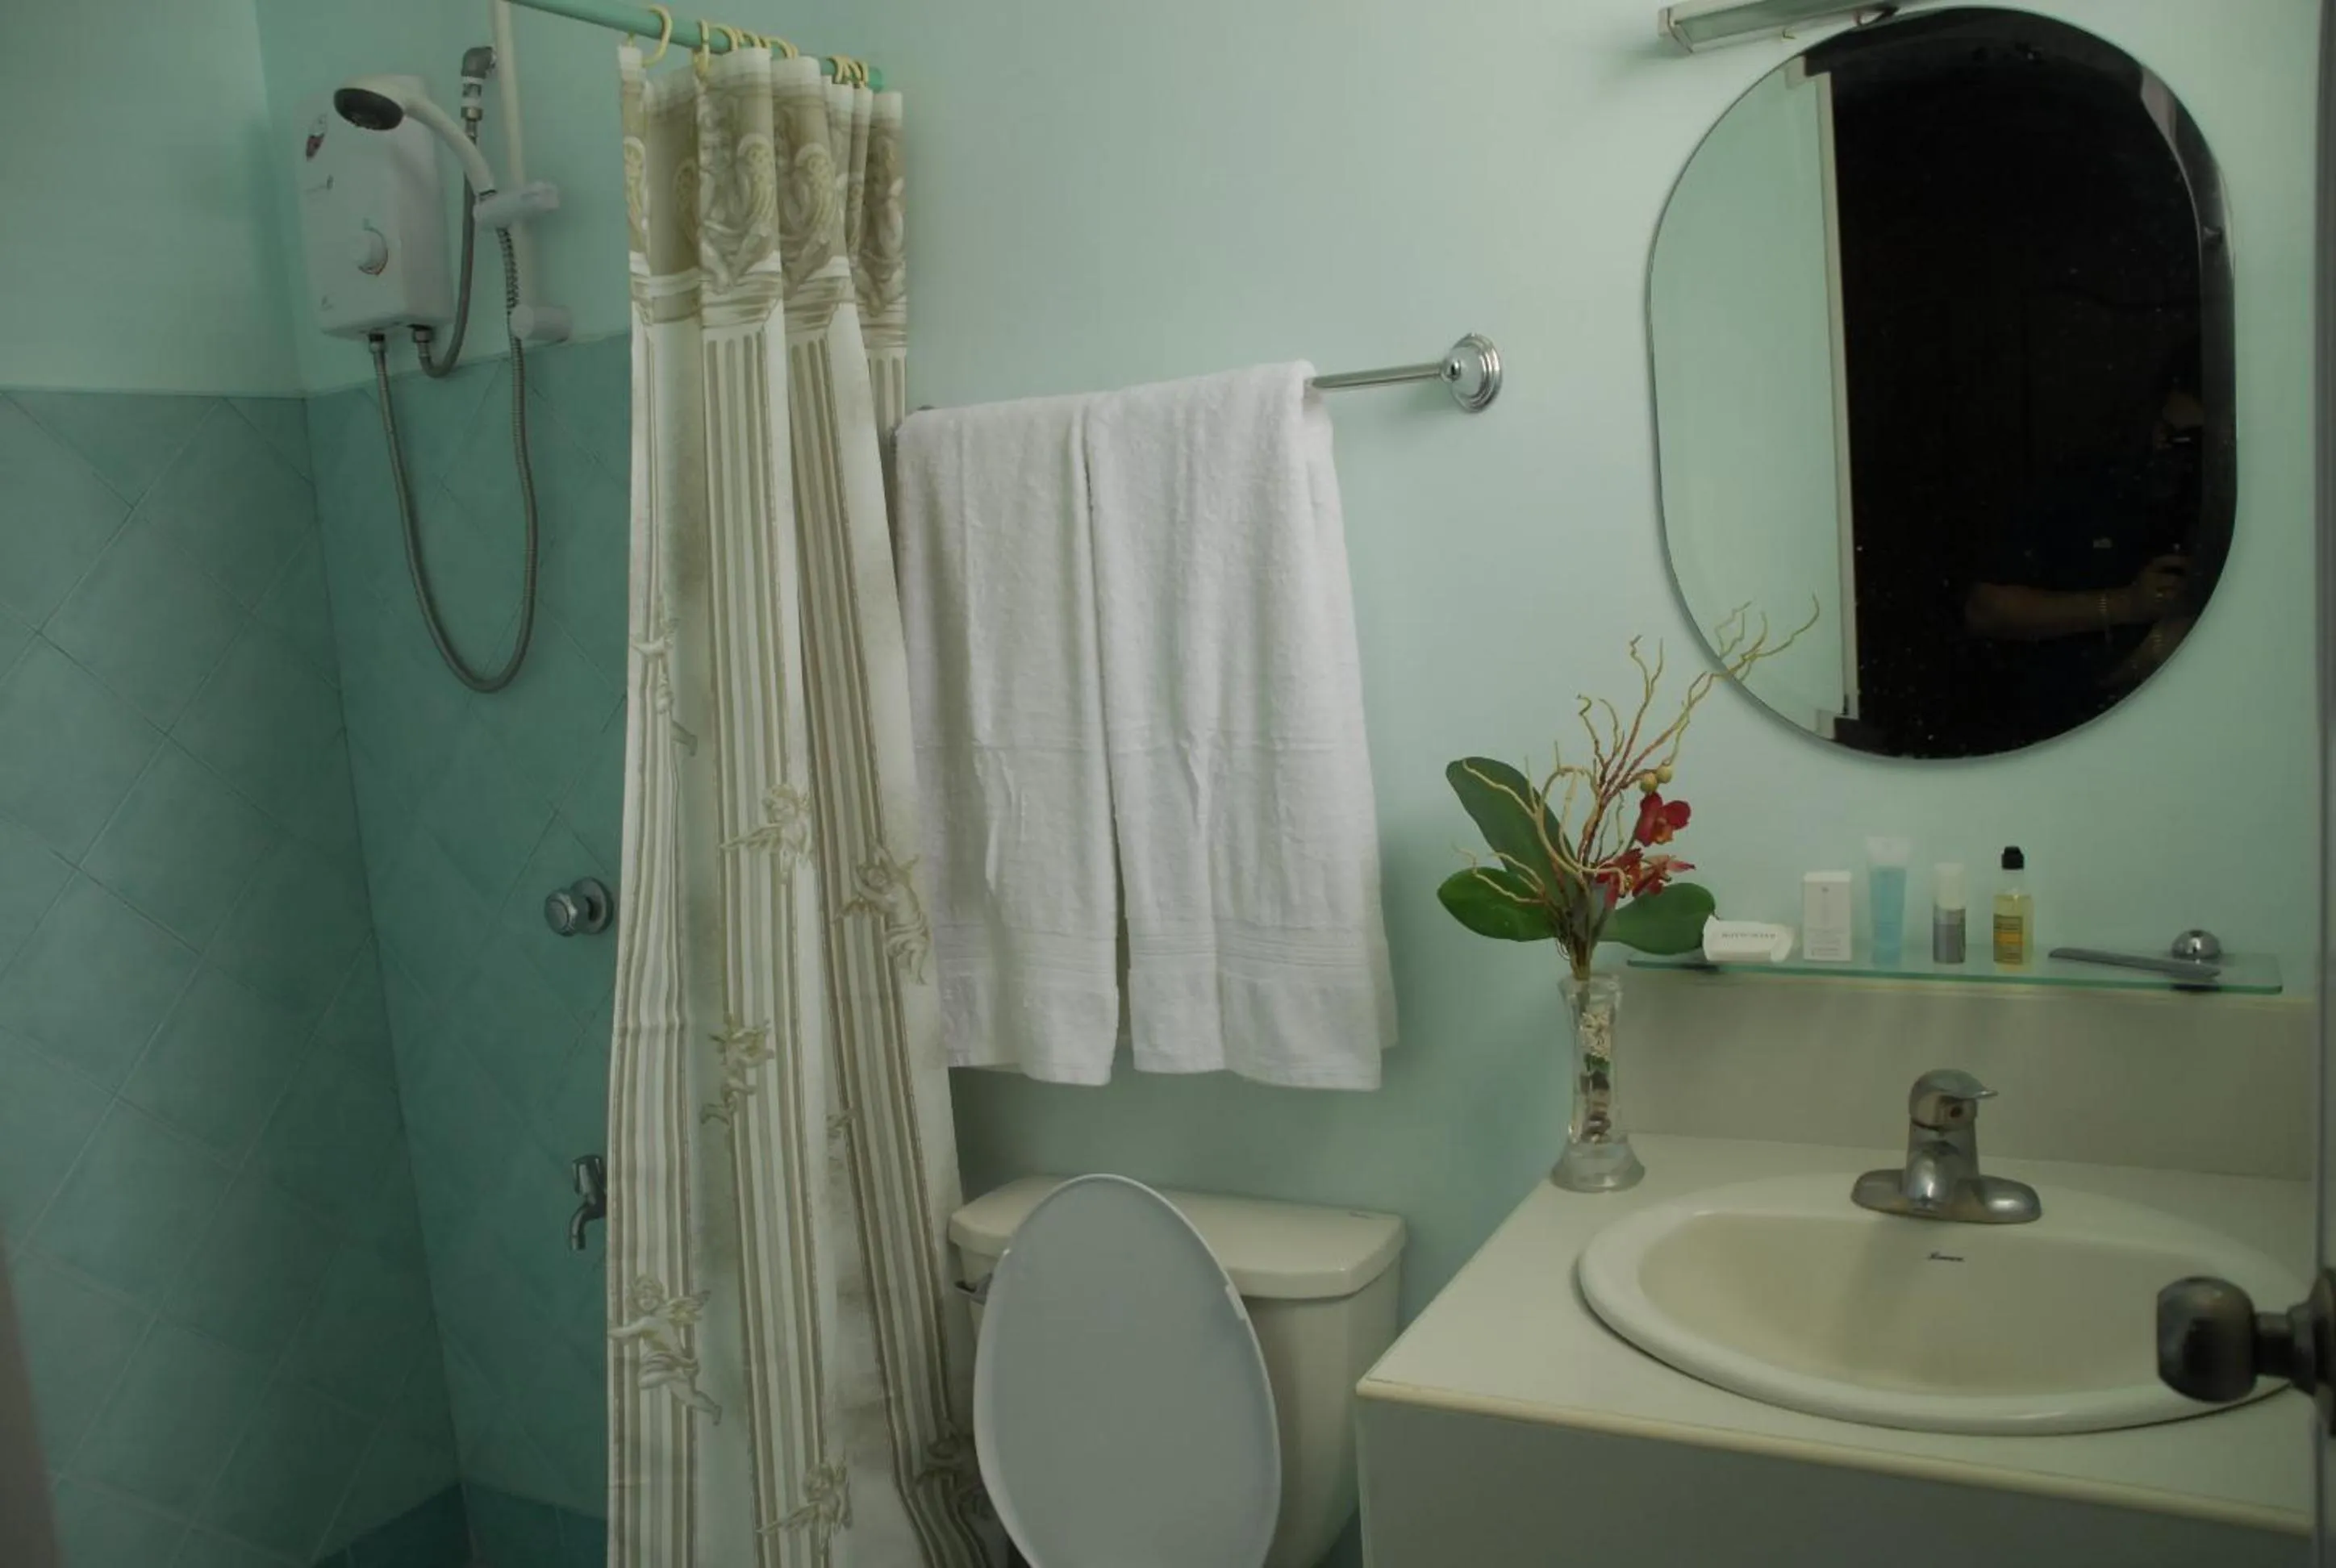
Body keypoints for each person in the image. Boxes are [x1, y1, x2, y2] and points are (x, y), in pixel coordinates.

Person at [1963, 374, 2205, 736]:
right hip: (2060, 726)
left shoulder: (2224, 501)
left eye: (2194, 442)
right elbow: (1986, 610)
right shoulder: (2081, 491)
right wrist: (2125, 605)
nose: (2170, 449)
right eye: (2167, 432)